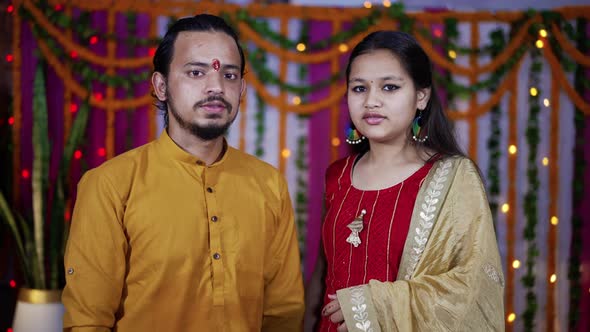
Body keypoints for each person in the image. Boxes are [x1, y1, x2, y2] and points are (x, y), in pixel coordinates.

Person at [62, 14, 304, 332]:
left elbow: (283, 312)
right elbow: (87, 322)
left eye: (229, 75)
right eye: (195, 72)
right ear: (161, 86)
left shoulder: (268, 184)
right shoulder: (111, 184)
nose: (216, 86)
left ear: (242, 88)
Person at [304, 31, 504, 332]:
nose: (371, 101)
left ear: (421, 96)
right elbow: (324, 276)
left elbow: (474, 288)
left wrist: (375, 304)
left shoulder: (452, 178)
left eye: (389, 87)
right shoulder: (337, 175)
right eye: (359, 88)